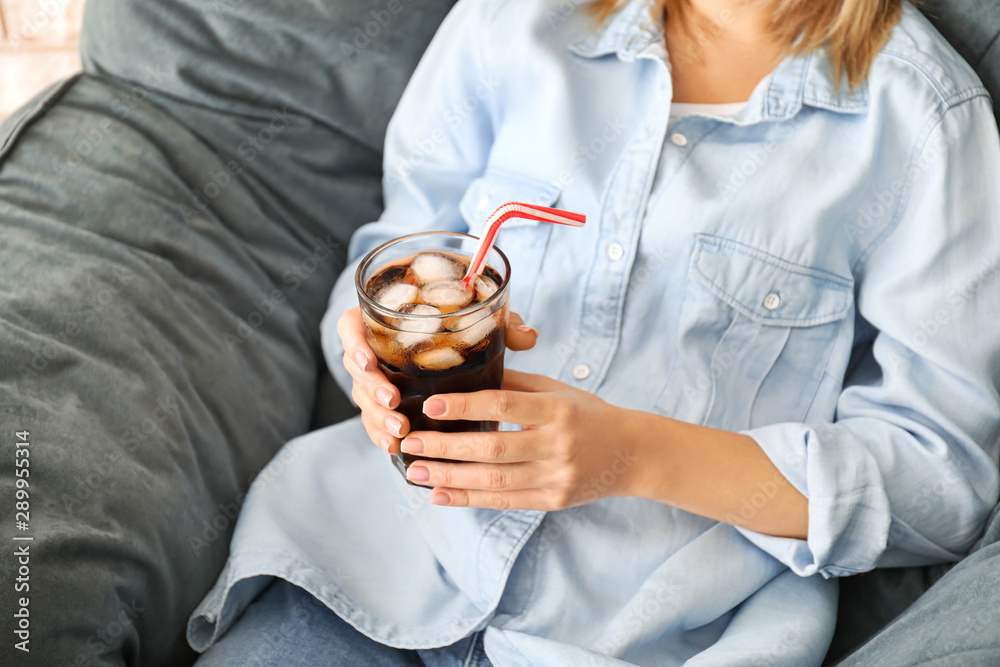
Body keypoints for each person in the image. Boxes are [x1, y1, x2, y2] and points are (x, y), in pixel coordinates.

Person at [187, 0, 1000, 664]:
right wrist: (370, 355)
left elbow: (943, 479)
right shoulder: (513, 23)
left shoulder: (924, 122)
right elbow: (391, 254)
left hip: (651, 641)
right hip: (362, 575)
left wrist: (634, 455)